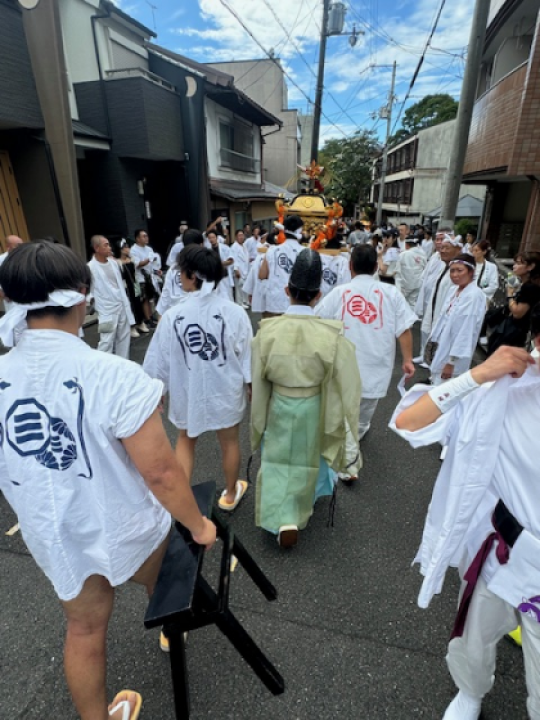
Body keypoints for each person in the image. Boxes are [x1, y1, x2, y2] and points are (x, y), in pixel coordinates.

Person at [0, 241, 216, 720]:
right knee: (163, 581)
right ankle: (169, 629)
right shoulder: (114, 375)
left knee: (83, 630)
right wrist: (199, 525)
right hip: (126, 525)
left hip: (54, 531)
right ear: (82, 294)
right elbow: (160, 473)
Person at [390, 331, 540, 720]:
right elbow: (408, 422)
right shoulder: (503, 391)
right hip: (504, 554)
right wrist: (477, 375)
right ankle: (470, 693)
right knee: (474, 639)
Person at [251, 249, 361, 547]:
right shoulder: (331, 335)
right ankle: (299, 511)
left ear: (287, 290)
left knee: (275, 459)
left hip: (278, 404)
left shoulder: (266, 332)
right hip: (313, 404)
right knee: (307, 458)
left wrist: (257, 418)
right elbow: (343, 384)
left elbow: (257, 381)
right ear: (318, 295)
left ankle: (279, 517)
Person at [143, 245, 253, 512]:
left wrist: (156, 391)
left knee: (185, 439)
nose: (179, 276)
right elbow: (249, 355)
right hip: (225, 389)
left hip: (187, 389)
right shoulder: (234, 312)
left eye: (182, 271)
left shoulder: (172, 316)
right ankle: (229, 493)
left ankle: (181, 502)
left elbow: (158, 361)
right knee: (228, 441)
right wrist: (251, 385)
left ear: (193, 275)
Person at [316, 244, 416, 439]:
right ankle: (358, 432)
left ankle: (341, 437)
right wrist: (408, 359)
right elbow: (404, 329)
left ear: (350, 265)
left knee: (342, 402)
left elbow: (318, 323)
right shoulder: (391, 292)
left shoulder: (339, 293)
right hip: (377, 361)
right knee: (366, 406)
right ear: (375, 267)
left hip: (343, 362)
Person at [425, 253, 487, 385]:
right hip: (442, 346)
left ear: (471, 272)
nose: (454, 274)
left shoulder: (473, 295)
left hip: (454, 356)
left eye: (460, 270)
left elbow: (465, 330)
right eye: (452, 270)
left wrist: (451, 362)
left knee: (444, 391)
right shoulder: (454, 290)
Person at [417, 234, 463, 365]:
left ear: (458, 250)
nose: (442, 250)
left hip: (445, 314)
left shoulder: (458, 271)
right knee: (426, 330)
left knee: (440, 340)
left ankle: (434, 364)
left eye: (447, 248)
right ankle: (425, 357)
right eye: (441, 248)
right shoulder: (444, 266)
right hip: (433, 307)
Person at [88, 235, 134, 358]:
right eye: (106, 245)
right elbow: (87, 289)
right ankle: (101, 367)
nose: (109, 247)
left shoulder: (114, 263)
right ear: (96, 248)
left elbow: (119, 284)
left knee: (124, 337)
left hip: (120, 304)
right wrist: (92, 301)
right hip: (106, 309)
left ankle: (123, 365)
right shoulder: (90, 267)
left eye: (109, 244)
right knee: (106, 340)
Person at [487, 251, 540, 355]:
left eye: (519, 263)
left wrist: (510, 294)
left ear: (531, 266)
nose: (514, 266)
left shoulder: (530, 287)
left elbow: (517, 313)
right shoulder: (526, 284)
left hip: (514, 333)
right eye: (515, 263)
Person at [259, 215, 304, 316]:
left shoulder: (272, 251)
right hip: (297, 303)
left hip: (275, 302)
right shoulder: (305, 252)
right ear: (300, 231)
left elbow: (262, 275)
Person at [156, 229, 204, 317]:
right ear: (200, 245)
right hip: (196, 313)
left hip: (177, 315)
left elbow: (165, 296)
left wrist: (161, 318)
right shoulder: (204, 266)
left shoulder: (173, 268)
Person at [130, 229, 161, 327]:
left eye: (146, 236)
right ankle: (147, 319)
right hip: (138, 279)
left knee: (151, 297)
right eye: (144, 236)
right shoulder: (133, 250)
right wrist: (148, 260)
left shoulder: (149, 249)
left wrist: (156, 271)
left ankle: (151, 316)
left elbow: (152, 264)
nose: (146, 238)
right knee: (143, 299)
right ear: (137, 238)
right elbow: (137, 264)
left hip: (150, 277)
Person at [116, 241, 147, 338]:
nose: (128, 249)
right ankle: (131, 327)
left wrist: (138, 288)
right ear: (120, 250)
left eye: (128, 247)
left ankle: (140, 323)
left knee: (138, 303)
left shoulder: (132, 260)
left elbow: (136, 274)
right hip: (126, 286)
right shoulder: (117, 262)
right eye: (125, 247)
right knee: (130, 305)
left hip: (134, 284)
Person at [395, 237, 427, 309]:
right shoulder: (423, 254)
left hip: (404, 285)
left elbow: (396, 269)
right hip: (418, 283)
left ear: (406, 245)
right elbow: (425, 267)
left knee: (402, 304)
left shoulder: (403, 254)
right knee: (413, 304)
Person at [207, 229, 234, 301]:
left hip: (224, 276)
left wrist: (219, 263)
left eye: (213, 237)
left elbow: (231, 260)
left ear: (217, 238)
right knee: (216, 298)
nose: (211, 239)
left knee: (228, 297)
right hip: (214, 278)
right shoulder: (208, 250)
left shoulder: (225, 248)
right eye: (210, 238)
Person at [0, 235, 24, 314]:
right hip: (11, 296)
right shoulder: (1, 260)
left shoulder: (26, 257)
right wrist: (2, 293)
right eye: (17, 245)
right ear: (8, 247)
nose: (21, 248)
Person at [230, 229, 250, 308]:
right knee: (239, 288)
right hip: (239, 269)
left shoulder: (244, 245)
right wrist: (236, 270)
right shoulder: (234, 247)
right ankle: (239, 303)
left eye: (242, 235)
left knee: (244, 286)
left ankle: (244, 301)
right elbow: (234, 259)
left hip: (245, 269)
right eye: (239, 235)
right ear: (236, 237)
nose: (241, 237)